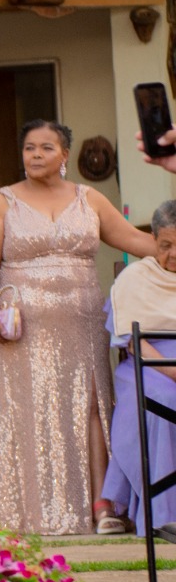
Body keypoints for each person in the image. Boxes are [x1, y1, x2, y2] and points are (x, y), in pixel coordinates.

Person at [0, 120, 155, 535]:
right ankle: (36, 510)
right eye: (29, 148)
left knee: (90, 407)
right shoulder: (2, 202)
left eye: (45, 148)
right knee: (32, 410)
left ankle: (104, 506)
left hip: (83, 319)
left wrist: (168, 248)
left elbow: (129, 237)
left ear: (64, 155)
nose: (35, 155)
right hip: (24, 324)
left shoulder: (88, 198)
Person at [100, 199, 176, 535]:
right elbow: (133, 339)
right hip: (147, 363)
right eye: (165, 245)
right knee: (163, 401)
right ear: (154, 240)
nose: (173, 254)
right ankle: (164, 513)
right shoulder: (135, 278)